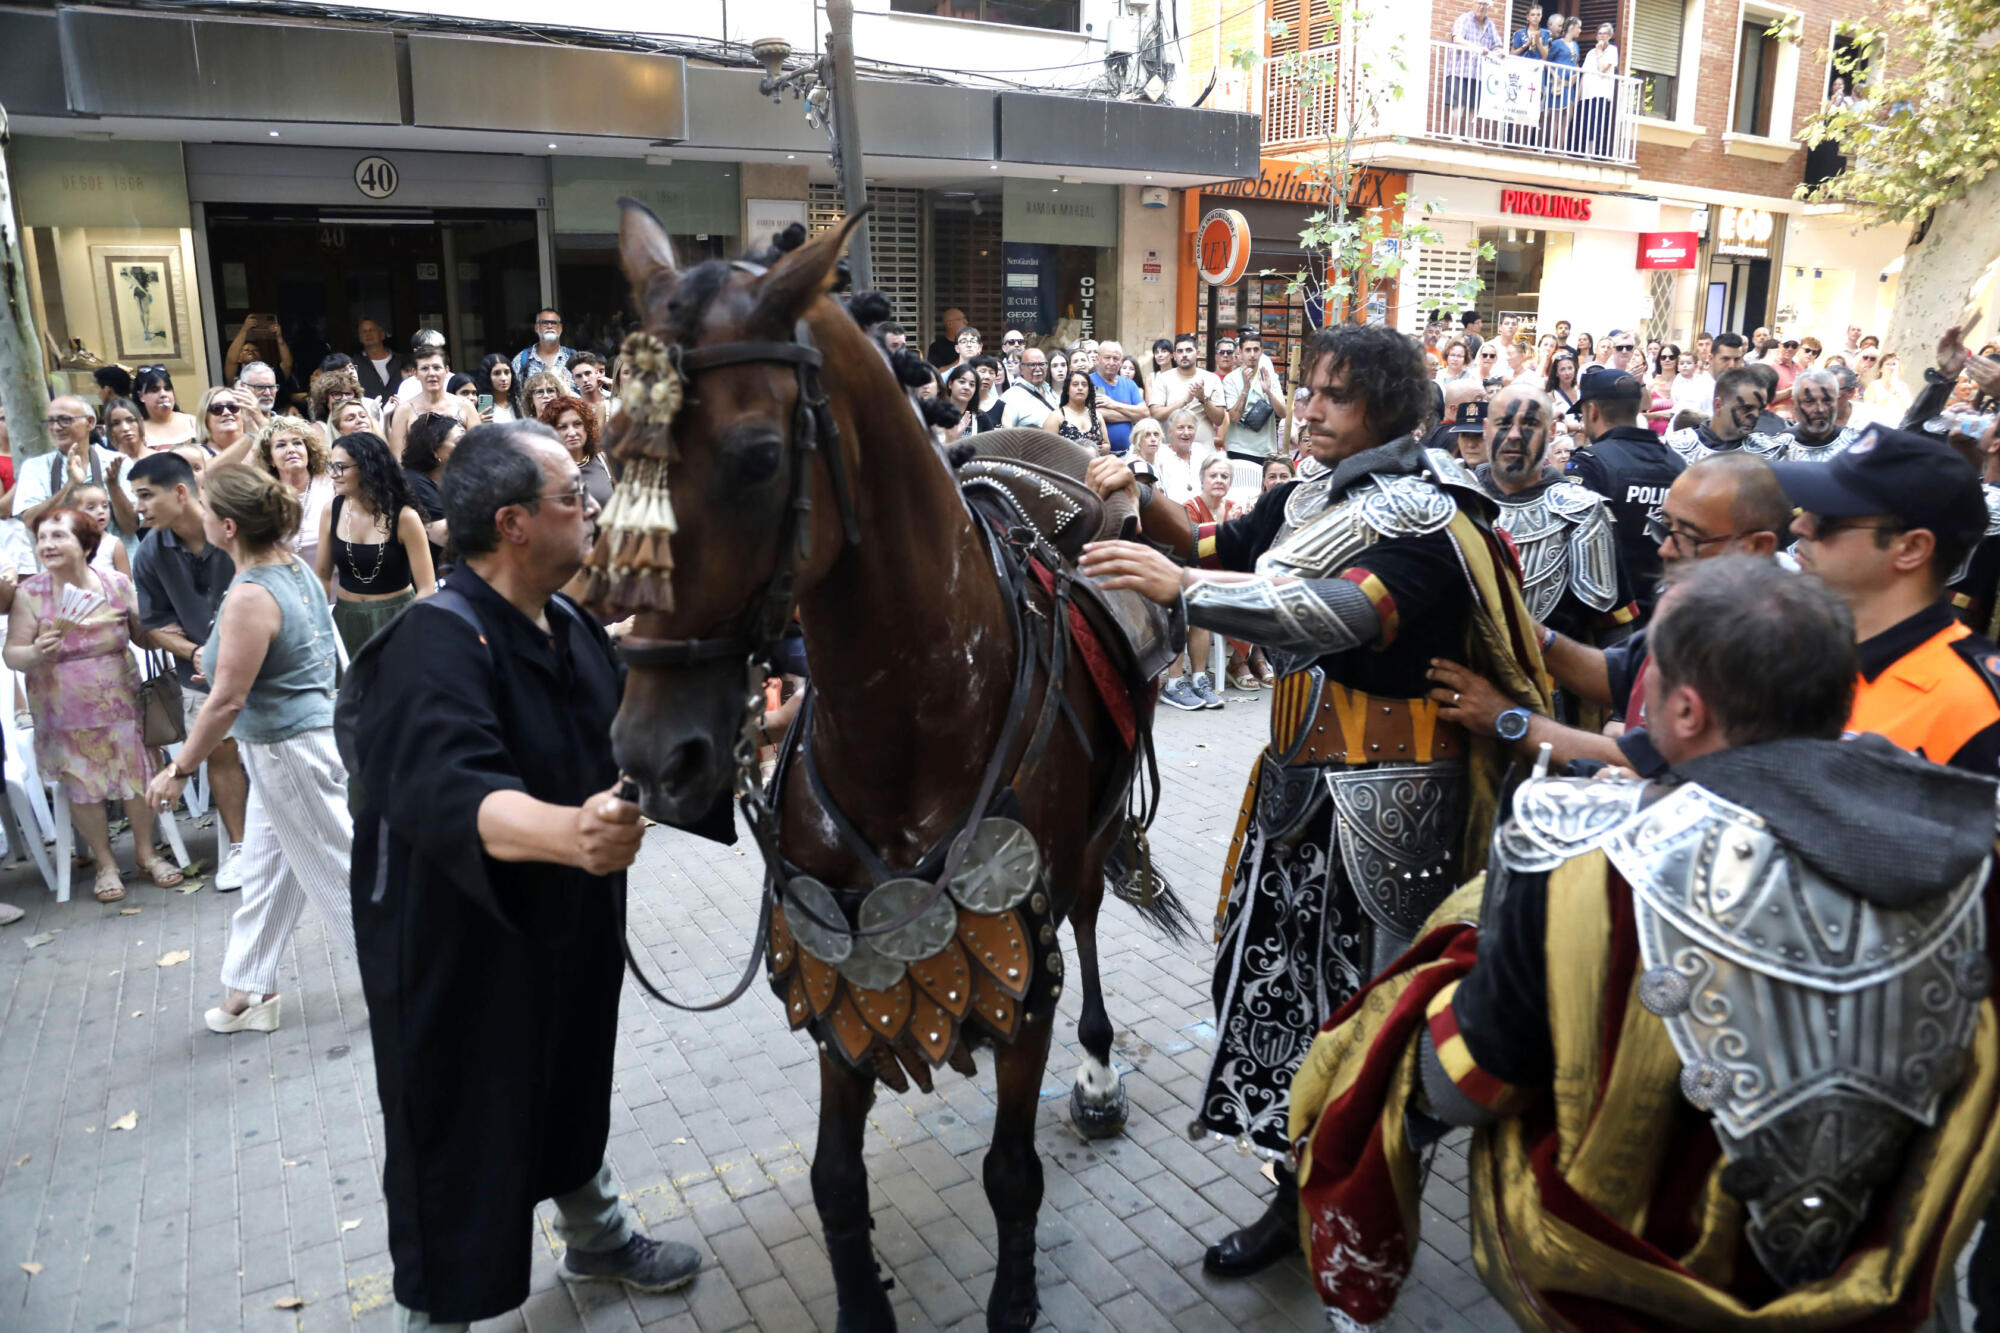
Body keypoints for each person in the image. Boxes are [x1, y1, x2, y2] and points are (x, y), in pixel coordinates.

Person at [1292, 554, 2000, 1333]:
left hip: (1636, 1287)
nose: (1634, 691)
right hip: (1889, 1298)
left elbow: (1467, 1083)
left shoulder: (1581, 860)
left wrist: (1434, 981)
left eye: (1648, 671)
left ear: (1687, 710)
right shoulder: (1975, 851)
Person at [1077, 323, 1550, 1278]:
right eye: (1311, 390)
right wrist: (1141, 490)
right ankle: (1295, 1200)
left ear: (1387, 405)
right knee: (1286, 1007)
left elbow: (1349, 611)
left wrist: (1187, 590)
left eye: (1336, 394)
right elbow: (1209, 542)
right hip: (1299, 791)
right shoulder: (1307, 494)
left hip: (1393, 806)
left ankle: (1363, 1227)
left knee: (1375, 1025)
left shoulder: (1426, 512)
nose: (1312, 408)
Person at [350, 421, 703, 1327]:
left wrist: (749, 735)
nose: (592, 510)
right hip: (462, 942)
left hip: (564, 923)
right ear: (512, 523)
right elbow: (456, 791)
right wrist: (572, 832)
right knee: (461, 1134)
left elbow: (621, 737)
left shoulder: (566, 620)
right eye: (572, 497)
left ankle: (597, 1234)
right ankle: (437, 1317)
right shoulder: (434, 642)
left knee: (569, 1078)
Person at [143, 465, 349, 1034]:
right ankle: (248, 988)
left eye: (208, 509)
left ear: (229, 527)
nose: (201, 516)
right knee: (264, 874)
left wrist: (178, 768)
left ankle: (412, 982)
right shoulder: (291, 570)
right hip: (287, 745)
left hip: (289, 749)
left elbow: (227, 700)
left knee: (342, 874)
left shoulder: (252, 592)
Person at [1432, 453, 1791, 774]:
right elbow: (1618, 675)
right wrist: (1521, 627)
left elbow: (1637, 760)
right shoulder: (1702, 609)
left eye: (1689, 537)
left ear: (1756, 546)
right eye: (1666, 527)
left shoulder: (1760, 640)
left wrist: (1504, 718)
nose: (1665, 550)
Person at [1775, 425, 2000, 770]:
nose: (1799, 526)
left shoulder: (1976, 704)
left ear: (1911, 548)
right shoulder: (1790, 648)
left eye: (1827, 518)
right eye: (1804, 508)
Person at [3, 507, 182, 901]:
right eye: (42, 538)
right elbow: (12, 654)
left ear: (85, 546)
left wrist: (154, 621)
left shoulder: (115, 583)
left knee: (136, 774)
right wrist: (35, 651)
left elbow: (144, 638)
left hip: (121, 700)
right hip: (61, 709)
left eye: (58, 536)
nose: (47, 545)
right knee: (80, 783)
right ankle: (105, 864)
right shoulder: (30, 594)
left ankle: (147, 854)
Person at [129, 452, 252, 888]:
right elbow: (153, 625)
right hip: (198, 672)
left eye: (146, 495)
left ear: (180, 492)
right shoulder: (148, 552)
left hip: (262, 661)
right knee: (219, 752)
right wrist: (195, 652)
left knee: (278, 749)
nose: (138, 507)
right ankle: (241, 848)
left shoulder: (236, 527)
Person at [1472, 384, 1633, 650]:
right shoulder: (1455, 503)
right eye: (1503, 424)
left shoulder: (1584, 513)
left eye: (1530, 424)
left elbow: (1613, 631)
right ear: (1486, 430)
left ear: (1550, 433)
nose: (1514, 435)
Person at [1562, 368, 1685, 618]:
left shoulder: (1589, 463)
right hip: (1667, 610)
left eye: (1583, 414)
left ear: (1592, 411)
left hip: (1610, 616)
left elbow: (1574, 547)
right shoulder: (1677, 463)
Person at [316, 432, 435, 657]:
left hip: (397, 617)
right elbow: (322, 576)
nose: (333, 474)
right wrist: (318, 622)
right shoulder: (331, 510)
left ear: (368, 468)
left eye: (341, 467)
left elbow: (427, 588)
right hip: (346, 617)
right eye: (331, 466)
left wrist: (405, 626)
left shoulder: (405, 517)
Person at [16, 396, 141, 543]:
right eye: (51, 421)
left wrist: (113, 487)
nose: (56, 427)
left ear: (90, 422)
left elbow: (130, 527)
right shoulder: (35, 467)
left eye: (65, 420)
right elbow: (32, 522)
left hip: (118, 556)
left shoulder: (116, 462)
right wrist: (71, 484)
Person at [255, 417, 335, 585]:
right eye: (281, 445)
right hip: (290, 586)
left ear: (308, 450)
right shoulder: (266, 497)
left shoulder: (332, 483)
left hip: (337, 586)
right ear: (270, 459)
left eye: (297, 443)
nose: (291, 449)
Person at [1665, 367, 1781, 465]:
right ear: (1718, 405)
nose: (1755, 416)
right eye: (1746, 408)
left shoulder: (1769, 452)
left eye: (1760, 409)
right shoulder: (1679, 447)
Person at [1752, 366, 1858, 461]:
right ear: (1795, 404)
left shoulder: (1856, 444)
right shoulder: (1776, 449)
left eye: (1827, 401)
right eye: (1809, 401)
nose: (1820, 409)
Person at [388, 348, 479, 458]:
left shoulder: (465, 407)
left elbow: (479, 451)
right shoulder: (403, 411)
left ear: (446, 371)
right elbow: (397, 458)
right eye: (424, 368)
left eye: (436, 368)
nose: (431, 373)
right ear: (415, 373)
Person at [402, 413, 461, 573]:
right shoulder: (413, 482)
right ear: (435, 449)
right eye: (458, 442)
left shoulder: (454, 475)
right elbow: (445, 535)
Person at [1149, 334, 1228, 449]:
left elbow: (1219, 419)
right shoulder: (1163, 379)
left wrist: (1203, 399)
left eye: (1189, 350)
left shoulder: (1212, 379)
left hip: (1204, 449)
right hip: (1171, 451)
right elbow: (1156, 414)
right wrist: (1184, 401)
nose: (1184, 354)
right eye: (1180, 351)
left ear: (1198, 353)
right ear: (1174, 356)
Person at [1222, 334, 1287, 462]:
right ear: (1240, 352)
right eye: (1248, 350)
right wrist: (1246, 388)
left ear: (1261, 351)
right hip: (1237, 448)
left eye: (1256, 349)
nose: (1252, 354)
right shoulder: (1230, 379)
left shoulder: (1270, 377)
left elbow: (1283, 413)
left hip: (1265, 450)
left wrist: (1268, 391)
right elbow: (1234, 417)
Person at [540, 395, 611, 513]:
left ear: (587, 427)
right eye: (563, 427)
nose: (572, 433)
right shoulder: (547, 473)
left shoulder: (603, 460)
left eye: (577, 424)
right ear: (552, 433)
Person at [1446, 0, 1501, 135]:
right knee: (1458, 104)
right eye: (1479, 3)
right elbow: (1457, 39)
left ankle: (1471, 137)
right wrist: (1477, 48)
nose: (1481, 7)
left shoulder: (1490, 25)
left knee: (1474, 106)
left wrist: (1499, 51)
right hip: (1460, 70)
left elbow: (1497, 45)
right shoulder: (1464, 19)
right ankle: (1455, 135)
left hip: (1479, 72)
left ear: (1488, 7)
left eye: (1484, 4)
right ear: (1473, 4)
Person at [1090, 341, 1149, 456]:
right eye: (1107, 358)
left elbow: (1145, 413)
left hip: (1127, 454)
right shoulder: (1088, 381)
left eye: (1116, 358)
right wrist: (1132, 416)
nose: (1111, 362)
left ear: (1121, 362)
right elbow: (1098, 413)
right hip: (1098, 455)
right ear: (1097, 359)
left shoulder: (1129, 384)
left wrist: (1113, 404)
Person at [194, 385, 267, 466]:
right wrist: (251, 435)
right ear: (205, 418)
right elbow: (207, 471)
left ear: (243, 412)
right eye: (217, 409)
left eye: (233, 407)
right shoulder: (196, 453)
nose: (227, 412)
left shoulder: (260, 448)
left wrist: (260, 419)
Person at [134, 367, 198, 452]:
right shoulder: (136, 430)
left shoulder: (192, 422)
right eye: (155, 390)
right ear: (141, 396)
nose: (163, 394)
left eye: (167, 389)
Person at [1043, 368, 1105, 452]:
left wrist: (1105, 448)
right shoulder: (1056, 417)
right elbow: (1046, 450)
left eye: (1084, 385)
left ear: (1088, 390)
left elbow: (1106, 444)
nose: (1080, 388)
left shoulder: (1096, 415)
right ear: (1067, 390)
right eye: (1075, 384)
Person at [512, 307, 576, 388]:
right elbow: (514, 393)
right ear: (536, 327)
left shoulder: (573, 358)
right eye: (545, 323)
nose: (549, 326)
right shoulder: (521, 360)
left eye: (554, 323)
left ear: (560, 328)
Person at [998, 347, 1057, 429]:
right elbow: (1006, 433)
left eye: (1042, 364)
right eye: (1032, 365)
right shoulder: (1012, 397)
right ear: (1021, 369)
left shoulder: (1050, 391)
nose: (1038, 369)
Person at [1156, 407, 1203, 504]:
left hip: (1201, 510)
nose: (1186, 433)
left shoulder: (1200, 451)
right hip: (1172, 511)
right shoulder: (1161, 454)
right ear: (1170, 431)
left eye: (1190, 427)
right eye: (1180, 428)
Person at [353, 319, 396, 400]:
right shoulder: (354, 364)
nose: (368, 334)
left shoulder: (399, 361)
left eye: (372, 330)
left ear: (382, 334)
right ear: (359, 338)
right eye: (364, 331)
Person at [568, 351, 610, 431]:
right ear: (573, 379)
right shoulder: (571, 408)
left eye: (588, 373)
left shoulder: (613, 402)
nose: (585, 379)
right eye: (578, 376)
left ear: (596, 373)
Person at [1643, 343, 1679, 433]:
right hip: (1653, 434)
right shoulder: (1651, 383)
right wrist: (1659, 414)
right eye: (1663, 357)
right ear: (1659, 360)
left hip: (1678, 434)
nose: (1667, 360)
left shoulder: (1683, 384)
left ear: (1677, 360)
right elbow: (1640, 415)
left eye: (1671, 357)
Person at [101, 396, 147, 465]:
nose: (125, 428)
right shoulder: (106, 464)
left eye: (131, 420)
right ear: (110, 430)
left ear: (141, 422)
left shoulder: (159, 457)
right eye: (116, 423)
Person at [476, 353, 519, 424]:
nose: (503, 378)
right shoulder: (480, 407)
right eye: (497, 373)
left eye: (507, 372)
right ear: (487, 377)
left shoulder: (519, 403)